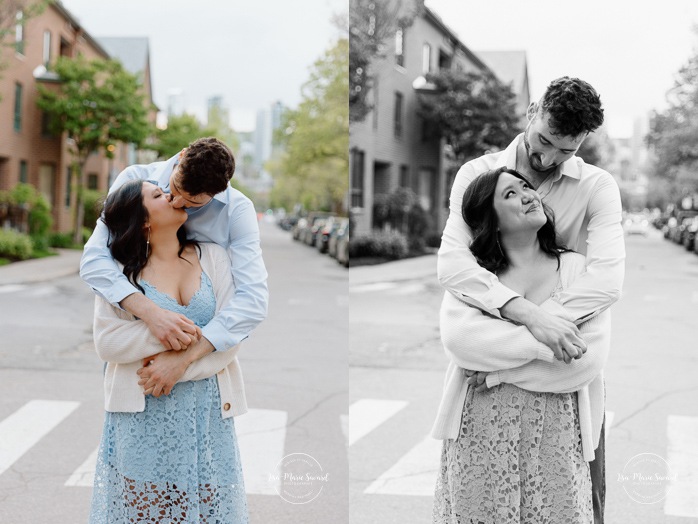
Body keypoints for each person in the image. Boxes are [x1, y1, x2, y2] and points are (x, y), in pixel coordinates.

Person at [436, 77, 625, 523]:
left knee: (581, 504)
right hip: (500, 375)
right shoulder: (476, 175)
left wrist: (501, 359)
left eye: (568, 150)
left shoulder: (597, 187)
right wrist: (531, 319)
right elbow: (454, 265)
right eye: (544, 141)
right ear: (531, 111)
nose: (549, 158)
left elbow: (605, 281)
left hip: (562, 379)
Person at [89, 179, 249, 522]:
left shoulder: (214, 257)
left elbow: (232, 337)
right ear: (144, 220)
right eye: (159, 195)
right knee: (146, 514)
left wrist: (177, 366)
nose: (172, 196)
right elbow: (107, 342)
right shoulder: (118, 272)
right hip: (141, 416)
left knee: (209, 512)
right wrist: (164, 330)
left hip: (206, 416)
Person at [80, 136, 268, 356]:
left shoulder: (236, 211)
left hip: (205, 363)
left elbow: (252, 299)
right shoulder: (135, 180)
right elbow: (94, 259)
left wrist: (187, 357)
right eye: (173, 188)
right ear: (181, 155)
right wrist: (153, 314)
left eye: (192, 203)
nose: (176, 202)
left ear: (219, 191)